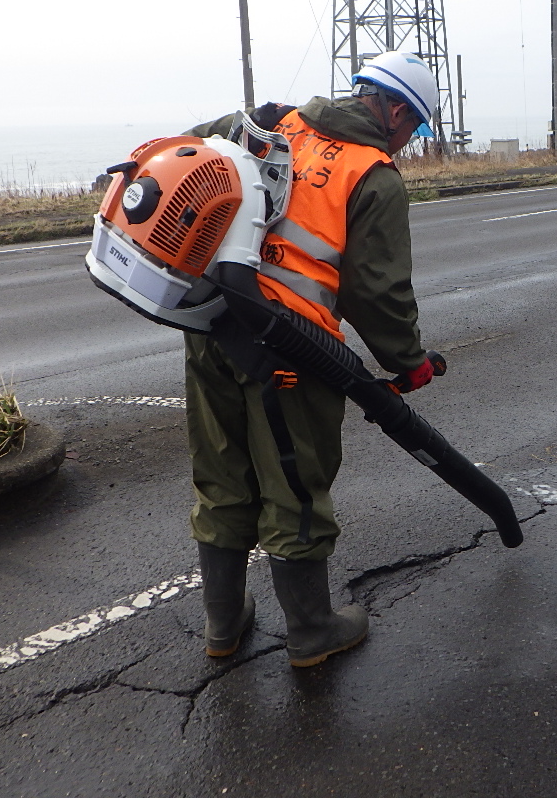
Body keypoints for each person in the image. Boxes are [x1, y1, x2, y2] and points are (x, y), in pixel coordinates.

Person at [182, 51, 439, 667]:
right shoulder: (373, 175)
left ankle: (223, 625)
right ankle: (311, 630)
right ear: (396, 110)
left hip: (212, 323)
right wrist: (408, 363)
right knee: (293, 485)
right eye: (416, 130)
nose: (409, 143)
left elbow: (189, 153)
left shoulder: (278, 123)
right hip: (291, 350)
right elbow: (376, 293)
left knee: (221, 475)